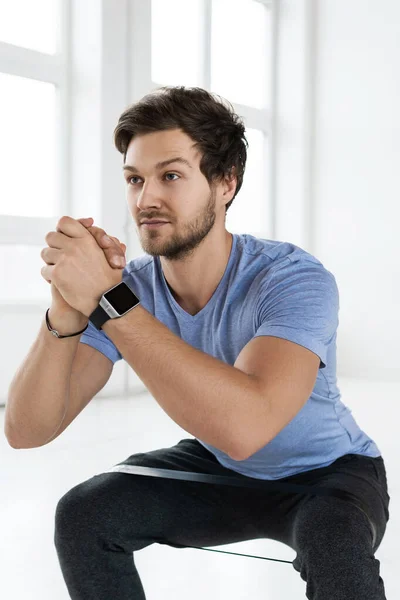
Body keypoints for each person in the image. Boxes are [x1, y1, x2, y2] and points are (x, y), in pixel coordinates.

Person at [6, 86, 390, 599]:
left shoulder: (292, 278)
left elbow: (246, 427)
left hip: (327, 475)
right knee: (85, 514)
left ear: (225, 184)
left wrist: (107, 297)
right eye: (134, 179)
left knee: (333, 538)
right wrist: (67, 305)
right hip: (221, 469)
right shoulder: (133, 289)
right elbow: (28, 429)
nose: (146, 200)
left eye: (170, 176)